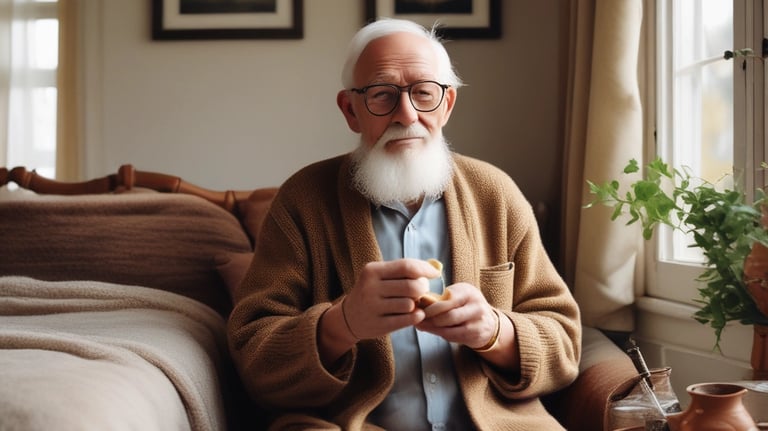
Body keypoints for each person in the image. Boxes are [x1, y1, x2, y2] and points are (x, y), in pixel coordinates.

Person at [227, 18, 581, 430]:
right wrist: (343, 323)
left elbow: (565, 344)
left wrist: (494, 330)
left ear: (447, 105)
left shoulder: (495, 194)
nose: (407, 114)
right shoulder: (303, 201)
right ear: (351, 110)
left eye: (424, 94)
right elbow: (253, 358)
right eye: (382, 95)